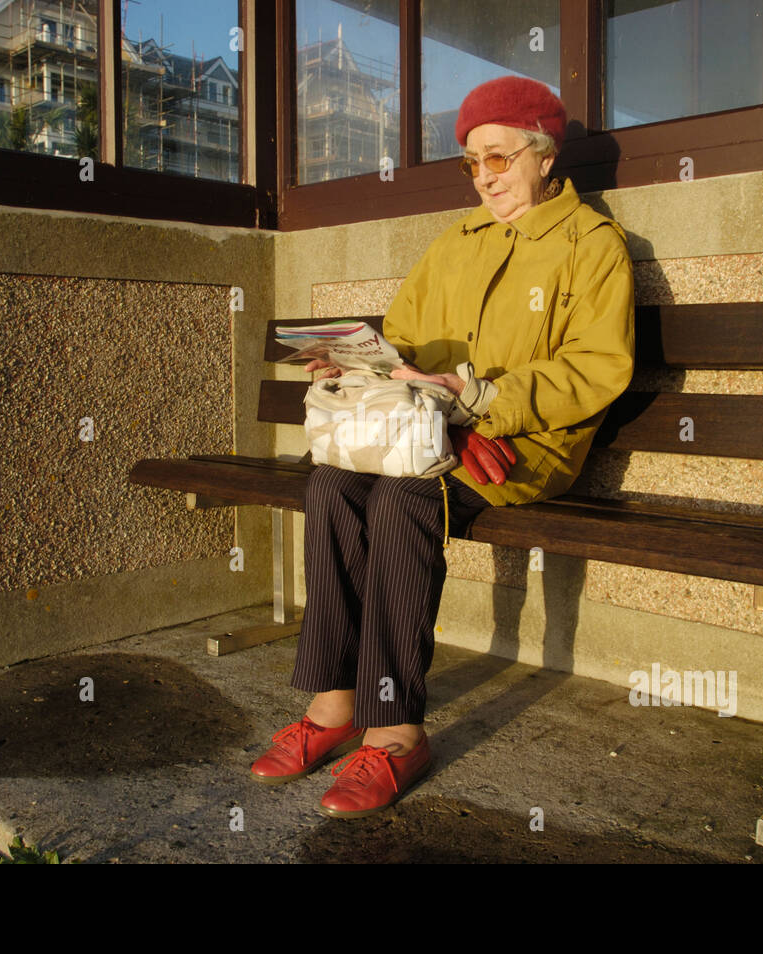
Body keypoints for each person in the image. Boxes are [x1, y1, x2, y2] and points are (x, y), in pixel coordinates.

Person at [250, 76, 636, 818]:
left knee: (401, 498)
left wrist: (483, 398)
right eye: (472, 162)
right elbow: (404, 340)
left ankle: (394, 731)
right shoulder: (455, 243)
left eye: (498, 156)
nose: (485, 176)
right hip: (427, 429)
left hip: (524, 445)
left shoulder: (593, 246)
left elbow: (597, 368)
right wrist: (359, 365)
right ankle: (334, 709)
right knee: (329, 483)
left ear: (545, 155)